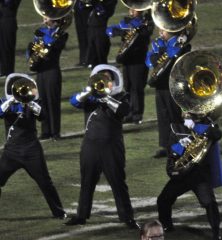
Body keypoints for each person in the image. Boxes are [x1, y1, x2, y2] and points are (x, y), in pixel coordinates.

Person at [65, 64, 139, 229]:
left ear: (114, 82)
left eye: (108, 80)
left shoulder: (121, 96)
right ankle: (81, 215)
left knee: (118, 181)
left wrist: (106, 98)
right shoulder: (89, 97)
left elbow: (123, 111)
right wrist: (90, 92)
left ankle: (127, 217)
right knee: (87, 181)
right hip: (90, 145)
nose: (105, 83)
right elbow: (73, 101)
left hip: (112, 146)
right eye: (102, 80)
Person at [0, 73, 67, 219]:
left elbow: (43, 116)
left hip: (31, 150)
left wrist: (29, 101)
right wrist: (13, 99)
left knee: (45, 183)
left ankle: (59, 212)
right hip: (12, 151)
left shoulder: (34, 103)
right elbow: (0, 112)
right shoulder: (6, 103)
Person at [157, 113, 222, 240]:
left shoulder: (205, 124)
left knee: (209, 203)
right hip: (183, 174)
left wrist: (195, 126)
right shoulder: (175, 127)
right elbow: (171, 150)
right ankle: (167, 227)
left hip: (199, 175)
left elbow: (217, 134)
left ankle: (216, 233)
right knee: (163, 199)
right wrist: (181, 147)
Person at [145, 28, 192, 158]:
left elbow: (183, 61)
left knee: (174, 117)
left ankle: (180, 145)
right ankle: (166, 146)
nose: (160, 33)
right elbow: (149, 60)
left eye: (163, 31)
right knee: (163, 117)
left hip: (173, 86)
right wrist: (160, 52)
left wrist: (172, 51)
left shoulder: (182, 45)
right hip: (160, 85)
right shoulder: (160, 44)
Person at [106, 8, 154, 124]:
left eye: (135, 9)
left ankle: (137, 114)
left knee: (137, 87)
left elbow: (145, 34)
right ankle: (129, 112)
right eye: (130, 8)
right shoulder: (126, 22)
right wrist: (120, 32)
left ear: (141, 10)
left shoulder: (147, 22)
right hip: (127, 60)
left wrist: (137, 30)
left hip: (139, 60)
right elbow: (109, 30)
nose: (131, 11)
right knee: (128, 86)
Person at [26, 16, 69, 140]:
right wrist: (30, 55)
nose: (44, 20)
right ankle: (45, 131)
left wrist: (45, 41)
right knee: (43, 101)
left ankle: (55, 132)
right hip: (40, 71)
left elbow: (54, 46)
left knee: (53, 101)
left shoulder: (62, 34)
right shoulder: (40, 32)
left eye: (46, 18)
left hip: (52, 71)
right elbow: (33, 48)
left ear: (54, 19)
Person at [86, 0, 117, 68]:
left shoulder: (110, 2)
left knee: (101, 57)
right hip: (91, 28)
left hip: (100, 30)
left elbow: (103, 12)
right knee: (92, 56)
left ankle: (103, 75)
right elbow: (81, 7)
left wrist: (95, 2)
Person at [0, 0, 21, 77]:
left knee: (8, 49)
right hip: (2, 20)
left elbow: (8, 3)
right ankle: (3, 70)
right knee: (1, 48)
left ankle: (9, 72)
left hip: (8, 21)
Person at [73, 0, 92, 66]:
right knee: (81, 35)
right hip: (78, 7)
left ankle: (90, 59)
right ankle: (83, 59)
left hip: (87, 7)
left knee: (88, 34)